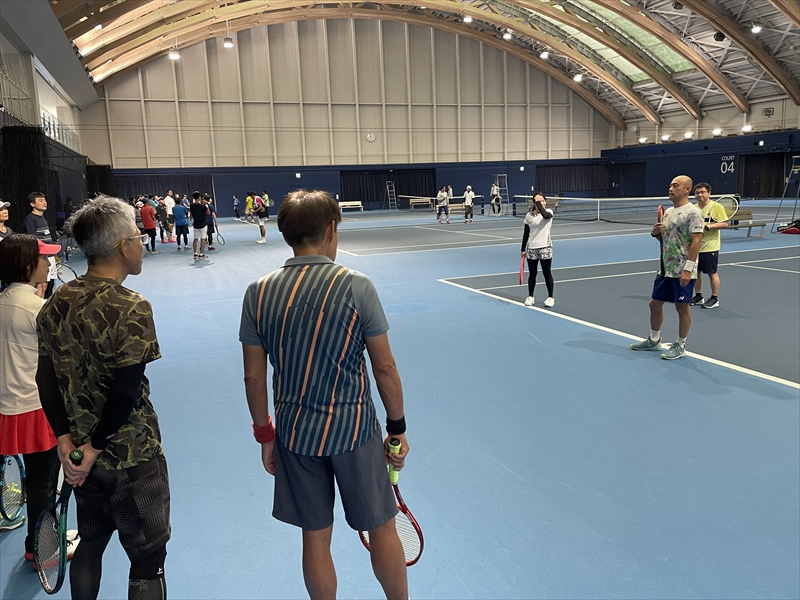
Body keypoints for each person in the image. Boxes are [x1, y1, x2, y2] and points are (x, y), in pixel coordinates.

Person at [239, 190, 409, 600]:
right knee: (382, 527)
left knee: (315, 538)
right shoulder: (356, 285)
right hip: (355, 432)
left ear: (285, 235)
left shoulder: (257, 293)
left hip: (296, 436)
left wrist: (265, 436)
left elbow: (253, 378)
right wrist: (397, 428)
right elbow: (384, 368)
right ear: (332, 229)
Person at [36, 196, 170, 600]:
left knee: (91, 543)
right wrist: (95, 448)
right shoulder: (132, 307)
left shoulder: (55, 303)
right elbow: (126, 392)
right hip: (132, 458)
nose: (141, 243)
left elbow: (45, 379)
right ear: (121, 247)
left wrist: (67, 443)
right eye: (137, 237)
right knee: (147, 559)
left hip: (80, 460)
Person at [0, 235, 80, 557]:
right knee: (43, 484)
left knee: (38, 483)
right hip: (37, 407)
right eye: (44, 258)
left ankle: (39, 546)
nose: (49, 263)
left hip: (8, 406)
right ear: (26, 264)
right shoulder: (39, 309)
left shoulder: (6, 302)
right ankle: (43, 551)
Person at [630, 175, 704, 360]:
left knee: (682, 307)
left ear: (687, 189)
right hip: (665, 269)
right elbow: (665, 240)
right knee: (654, 304)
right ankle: (654, 340)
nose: (671, 188)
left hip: (683, 270)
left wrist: (687, 269)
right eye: (670, 185)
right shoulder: (668, 212)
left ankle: (681, 345)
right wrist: (655, 233)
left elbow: (696, 242)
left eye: (675, 185)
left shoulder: (693, 212)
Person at [692, 182, 727, 309]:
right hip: (695, 246)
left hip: (710, 246)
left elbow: (724, 224)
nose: (700, 194)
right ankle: (698, 296)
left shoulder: (716, 207)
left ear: (709, 193)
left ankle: (714, 298)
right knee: (696, 273)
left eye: (702, 192)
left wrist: (708, 227)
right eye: (697, 192)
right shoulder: (693, 208)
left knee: (712, 273)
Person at [520, 192, 555, 308]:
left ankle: (550, 297)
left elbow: (545, 215)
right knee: (532, 274)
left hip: (545, 247)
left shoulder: (549, 212)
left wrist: (538, 204)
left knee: (546, 273)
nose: (542, 203)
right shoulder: (528, 216)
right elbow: (526, 233)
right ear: (534, 203)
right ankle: (530, 296)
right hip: (532, 249)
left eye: (543, 201)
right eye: (539, 201)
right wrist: (523, 249)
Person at [23, 192, 55, 298]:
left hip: (50, 256)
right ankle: (38, 307)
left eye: (45, 200)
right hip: (41, 257)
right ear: (32, 204)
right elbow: (32, 240)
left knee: (49, 285)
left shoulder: (43, 218)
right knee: (41, 286)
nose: (44, 203)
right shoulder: (30, 219)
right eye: (40, 201)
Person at [190, 192, 208, 260]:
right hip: (203, 224)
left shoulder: (191, 206)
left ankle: (195, 254)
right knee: (203, 239)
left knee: (195, 239)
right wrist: (205, 205)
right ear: (199, 197)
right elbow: (208, 212)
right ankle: (201, 254)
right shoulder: (203, 207)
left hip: (196, 225)